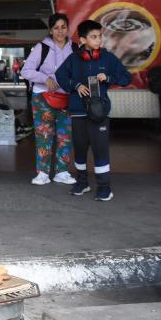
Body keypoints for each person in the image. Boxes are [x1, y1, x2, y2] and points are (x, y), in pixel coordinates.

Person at [56, 19, 132, 202]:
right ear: (82, 40)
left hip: (99, 113)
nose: (99, 40)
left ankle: (105, 187)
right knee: (80, 149)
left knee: (100, 150)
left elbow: (126, 78)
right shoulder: (73, 59)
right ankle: (82, 183)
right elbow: (60, 75)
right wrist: (76, 85)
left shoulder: (108, 58)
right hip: (78, 112)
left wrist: (109, 77)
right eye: (94, 37)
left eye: (100, 36)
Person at [21, 13, 76, 186]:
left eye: (63, 27)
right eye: (56, 28)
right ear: (50, 30)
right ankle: (43, 173)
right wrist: (45, 78)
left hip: (66, 97)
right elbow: (25, 71)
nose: (60, 31)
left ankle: (62, 172)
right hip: (42, 97)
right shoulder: (42, 48)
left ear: (68, 29)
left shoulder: (75, 48)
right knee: (44, 135)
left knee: (65, 135)